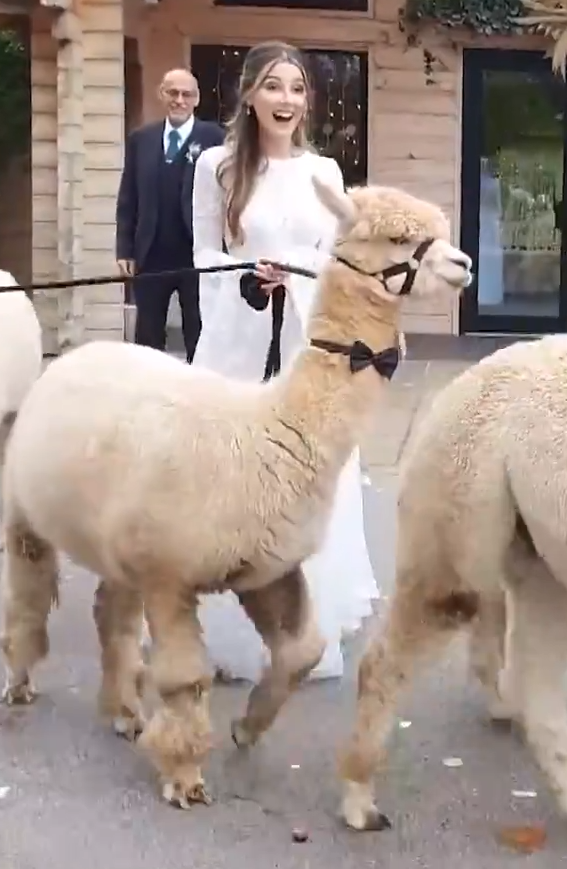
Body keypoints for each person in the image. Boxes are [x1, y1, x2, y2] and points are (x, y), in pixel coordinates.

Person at [187, 41, 379, 683]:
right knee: (235, 474)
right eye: (274, 87)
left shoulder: (324, 173)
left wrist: (295, 279)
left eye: (297, 89)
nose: (287, 101)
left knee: (305, 473)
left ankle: (307, 621)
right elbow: (204, 258)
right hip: (236, 341)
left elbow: (338, 264)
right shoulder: (215, 167)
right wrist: (246, 273)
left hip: (303, 345)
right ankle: (233, 625)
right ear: (248, 95)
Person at [115, 69, 221, 361]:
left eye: (186, 94)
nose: (179, 100)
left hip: (196, 254)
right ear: (162, 94)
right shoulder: (141, 139)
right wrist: (124, 249)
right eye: (173, 93)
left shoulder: (214, 138)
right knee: (148, 336)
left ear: (196, 99)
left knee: (198, 332)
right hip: (151, 254)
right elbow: (128, 197)